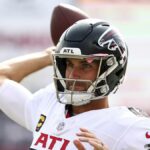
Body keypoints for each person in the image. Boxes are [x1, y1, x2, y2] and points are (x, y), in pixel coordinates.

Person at [0, 18, 150, 150]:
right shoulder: (49, 103)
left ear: (111, 71)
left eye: (85, 65)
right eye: (69, 64)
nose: (73, 75)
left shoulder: (129, 126)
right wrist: (47, 56)